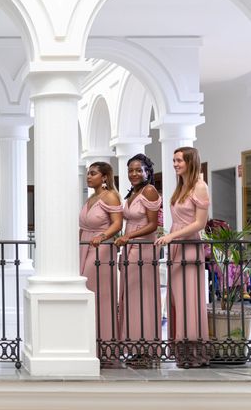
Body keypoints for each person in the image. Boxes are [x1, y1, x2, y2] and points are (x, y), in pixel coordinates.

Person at [155, 147, 210, 368]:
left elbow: (199, 223)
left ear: (190, 161)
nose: (175, 164)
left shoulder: (200, 186)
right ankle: (181, 351)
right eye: (174, 160)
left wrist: (171, 236)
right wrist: (170, 237)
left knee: (189, 298)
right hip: (177, 245)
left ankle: (194, 352)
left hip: (189, 246)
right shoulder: (182, 187)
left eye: (179, 160)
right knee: (177, 297)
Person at [114, 154, 161, 362]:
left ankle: (147, 349)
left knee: (141, 296)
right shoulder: (133, 192)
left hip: (142, 248)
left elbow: (153, 225)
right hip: (129, 246)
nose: (134, 174)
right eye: (130, 170)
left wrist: (128, 237)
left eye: (138, 170)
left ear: (147, 172)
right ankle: (134, 345)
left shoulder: (149, 191)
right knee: (130, 295)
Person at [79, 162, 123, 345]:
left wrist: (102, 236)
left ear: (104, 177)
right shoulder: (90, 199)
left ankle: (104, 343)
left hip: (102, 247)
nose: (89, 176)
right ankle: (87, 340)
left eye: (93, 173)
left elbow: (117, 224)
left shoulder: (111, 196)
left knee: (98, 292)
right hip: (84, 246)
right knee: (85, 291)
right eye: (88, 173)